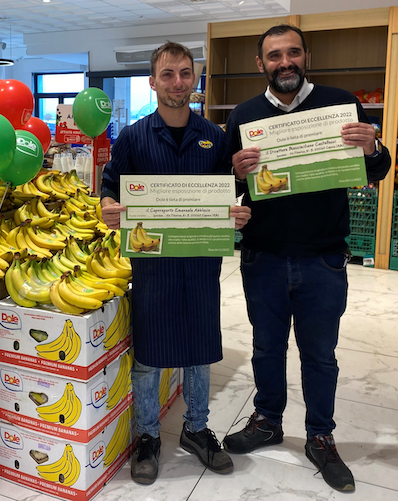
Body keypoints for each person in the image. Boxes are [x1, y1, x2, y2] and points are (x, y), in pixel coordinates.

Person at [221, 25, 391, 492]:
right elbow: (226, 187)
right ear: (261, 64)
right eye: (275, 55)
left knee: (319, 354)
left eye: (293, 52)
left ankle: (320, 436)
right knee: (266, 347)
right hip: (263, 256)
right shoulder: (244, 116)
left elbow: (377, 169)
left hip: (323, 258)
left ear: (306, 56)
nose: (285, 62)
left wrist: (372, 146)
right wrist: (236, 173)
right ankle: (267, 421)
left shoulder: (340, 105)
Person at [99, 41, 252, 485]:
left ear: (194, 79)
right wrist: (108, 206)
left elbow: (229, 188)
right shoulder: (134, 137)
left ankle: (196, 429)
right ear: (153, 81)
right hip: (153, 265)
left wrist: (237, 210)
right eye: (168, 74)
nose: (178, 82)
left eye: (185, 73)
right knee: (149, 355)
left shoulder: (214, 137)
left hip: (201, 261)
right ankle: (147, 436)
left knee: (199, 351)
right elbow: (110, 184)